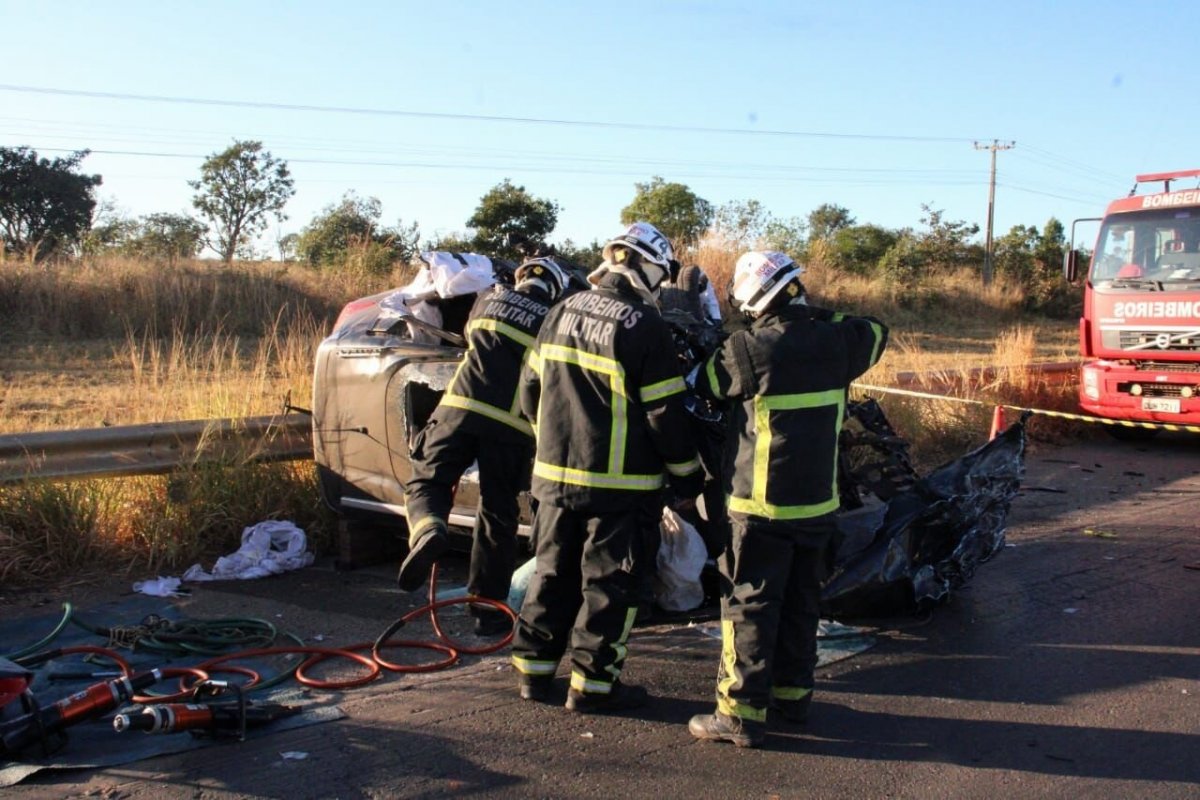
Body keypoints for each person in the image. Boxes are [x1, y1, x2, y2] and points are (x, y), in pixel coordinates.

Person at [686, 251, 888, 747]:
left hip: (760, 507)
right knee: (802, 603)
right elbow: (877, 330)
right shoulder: (842, 340)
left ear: (754, 299)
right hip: (818, 504)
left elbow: (706, 385)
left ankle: (739, 713)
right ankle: (794, 697)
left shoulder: (747, 349)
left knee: (749, 607)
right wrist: (815, 316)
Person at [511, 222, 704, 713]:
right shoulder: (644, 325)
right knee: (610, 586)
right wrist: (687, 474)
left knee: (551, 575)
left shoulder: (558, 311)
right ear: (651, 267)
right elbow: (665, 414)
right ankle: (592, 688)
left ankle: (532, 676)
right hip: (620, 488)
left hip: (553, 480)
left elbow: (529, 391)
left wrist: (549, 450)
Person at [398, 256, 573, 636]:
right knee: (498, 517)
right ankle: (487, 612)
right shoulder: (554, 319)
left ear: (522, 277)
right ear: (555, 288)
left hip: (457, 410)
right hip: (510, 428)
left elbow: (464, 335)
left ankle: (428, 528)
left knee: (427, 480)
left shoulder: (488, 301)